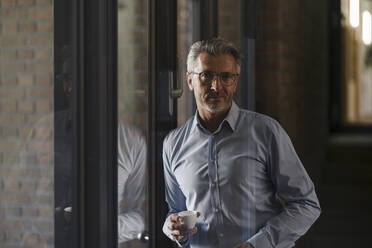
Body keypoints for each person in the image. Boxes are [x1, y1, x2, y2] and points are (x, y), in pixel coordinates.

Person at [162, 38, 321, 248]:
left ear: (235, 82)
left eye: (226, 77)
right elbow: (176, 210)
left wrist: (259, 244)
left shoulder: (266, 132)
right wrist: (172, 228)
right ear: (190, 81)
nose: (216, 86)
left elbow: (306, 204)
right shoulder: (173, 144)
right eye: (206, 75)